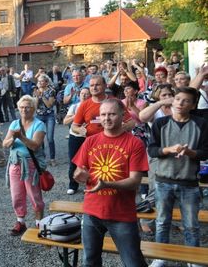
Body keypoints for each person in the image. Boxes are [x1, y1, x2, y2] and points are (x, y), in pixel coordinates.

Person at [73, 99, 148, 267]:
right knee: (89, 262)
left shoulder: (134, 143)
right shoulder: (90, 141)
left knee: (133, 262)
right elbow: (79, 172)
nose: (106, 118)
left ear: (123, 116)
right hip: (92, 212)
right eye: (103, 114)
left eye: (112, 114)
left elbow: (135, 181)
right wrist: (79, 175)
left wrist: (107, 184)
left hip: (121, 214)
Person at [147, 87, 208, 267]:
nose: (180, 103)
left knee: (191, 224)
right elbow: (152, 150)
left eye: (186, 100)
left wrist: (189, 152)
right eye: (178, 99)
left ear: (193, 105)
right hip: (163, 180)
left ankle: (193, 259)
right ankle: (161, 257)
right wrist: (168, 149)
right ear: (172, 100)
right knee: (162, 222)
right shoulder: (160, 123)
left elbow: (205, 152)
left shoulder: (201, 124)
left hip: (189, 182)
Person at [3, 95, 46, 235]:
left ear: (33, 108)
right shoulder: (14, 124)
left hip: (30, 163)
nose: (24, 110)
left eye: (27, 107)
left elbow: (35, 146)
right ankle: (20, 221)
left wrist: (20, 136)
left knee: (34, 195)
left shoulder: (39, 124)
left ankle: (40, 222)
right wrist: (12, 139)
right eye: (21, 107)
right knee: (16, 194)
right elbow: (5, 143)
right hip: (15, 161)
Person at [63, 87, 90, 195]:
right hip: (75, 136)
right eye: (82, 93)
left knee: (90, 162)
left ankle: (90, 184)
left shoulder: (93, 106)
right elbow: (65, 121)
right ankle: (73, 185)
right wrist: (77, 115)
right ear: (79, 95)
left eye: (86, 94)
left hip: (89, 137)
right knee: (73, 161)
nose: (84, 95)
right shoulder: (74, 107)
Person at [34, 74, 57, 166]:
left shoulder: (51, 91)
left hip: (49, 116)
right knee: (40, 139)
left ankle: (52, 158)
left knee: (50, 138)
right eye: (38, 81)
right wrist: (36, 97)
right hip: (39, 116)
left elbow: (49, 105)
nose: (39, 83)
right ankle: (42, 157)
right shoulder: (36, 91)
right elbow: (35, 107)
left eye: (41, 81)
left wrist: (42, 96)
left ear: (46, 82)